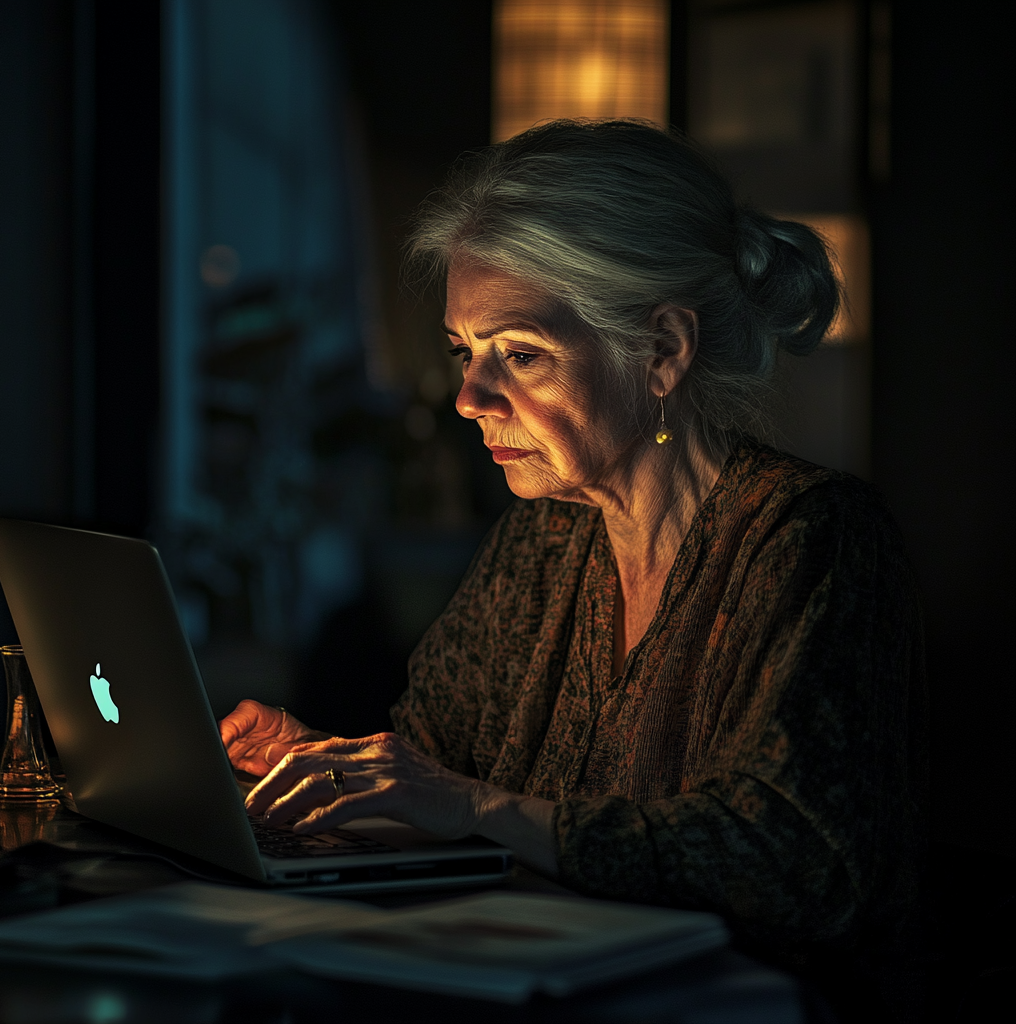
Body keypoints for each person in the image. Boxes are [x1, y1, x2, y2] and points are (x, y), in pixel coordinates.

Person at [220, 120, 926, 1014]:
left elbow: (790, 860)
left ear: (662, 351)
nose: (471, 399)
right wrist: (329, 767)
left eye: (519, 354)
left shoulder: (811, 537)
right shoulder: (546, 533)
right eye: (464, 354)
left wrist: (470, 807)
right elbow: (435, 775)